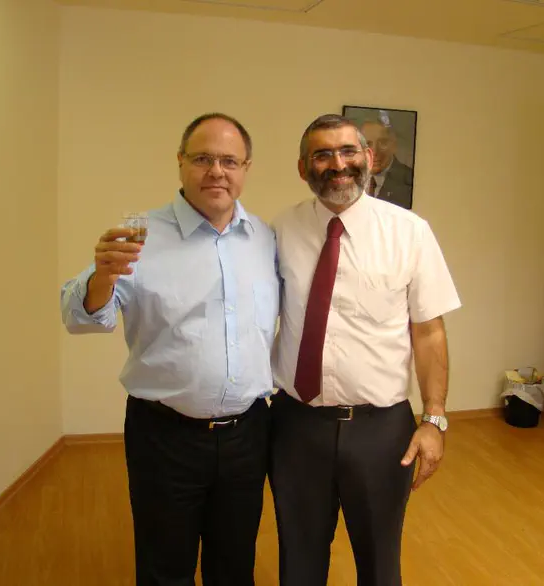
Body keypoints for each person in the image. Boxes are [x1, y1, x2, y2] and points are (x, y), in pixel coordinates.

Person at [60, 113, 279, 586]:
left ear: (246, 168)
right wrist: (102, 277)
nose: (216, 171)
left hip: (248, 435)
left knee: (234, 564)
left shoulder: (264, 239)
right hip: (165, 437)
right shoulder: (139, 237)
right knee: (165, 567)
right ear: (180, 162)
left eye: (229, 161)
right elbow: (79, 317)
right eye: (203, 159)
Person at [269, 113, 461, 586]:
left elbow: (429, 333)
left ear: (369, 158)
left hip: (380, 430)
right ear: (303, 168)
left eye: (348, 151)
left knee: (379, 563)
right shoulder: (280, 231)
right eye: (322, 154)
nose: (338, 164)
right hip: (296, 426)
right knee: (298, 559)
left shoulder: (409, 232)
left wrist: (434, 419)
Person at [359, 119, 414, 209]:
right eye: (367, 144)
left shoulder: (409, 180)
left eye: (382, 143)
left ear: (394, 145)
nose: (374, 152)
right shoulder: (349, 177)